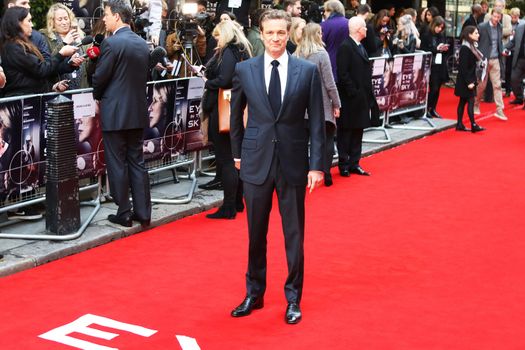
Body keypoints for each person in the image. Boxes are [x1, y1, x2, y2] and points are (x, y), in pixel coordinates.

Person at [229, 9, 325, 324]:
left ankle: (293, 298)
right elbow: (236, 116)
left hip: (293, 163)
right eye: (269, 33)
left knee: (293, 234)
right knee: (255, 233)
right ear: (261, 33)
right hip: (256, 161)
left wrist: (317, 166)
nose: (275, 38)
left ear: (289, 34)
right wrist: (237, 154)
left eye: (280, 33)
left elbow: (316, 124)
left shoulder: (306, 71)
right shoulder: (244, 70)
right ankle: (254, 293)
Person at [92, 0, 152, 228]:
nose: (104, 19)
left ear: (117, 16)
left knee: (117, 163)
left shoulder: (112, 44)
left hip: (115, 112)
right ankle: (144, 212)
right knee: (137, 161)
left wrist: (97, 94)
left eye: (106, 15)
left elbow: (100, 77)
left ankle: (124, 211)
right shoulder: (141, 43)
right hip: (136, 111)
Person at [202, 20, 252, 219]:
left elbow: (224, 80)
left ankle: (229, 206)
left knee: (227, 159)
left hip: (223, 110)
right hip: (235, 108)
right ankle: (237, 202)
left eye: (217, 36)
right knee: (235, 158)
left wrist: (207, 81)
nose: (215, 40)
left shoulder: (229, 52)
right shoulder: (241, 51)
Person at [295, 23, 340, 187]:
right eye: (319, 33)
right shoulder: (322, 54)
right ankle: (325, 172)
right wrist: (337, 104)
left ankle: (303, 172)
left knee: (302, 142)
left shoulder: (296, 54)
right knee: (326, 140)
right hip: (320, 105)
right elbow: (330, 83)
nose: (322, 36)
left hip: (300, 107)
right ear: (316, 35)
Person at [0, 7, 78, 97]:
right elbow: (41, 69)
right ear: (18, 23)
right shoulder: (13, 47)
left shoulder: (19, 44)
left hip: (29, 99)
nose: (32, 25)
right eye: (29, 21)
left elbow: (31, 78)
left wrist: (52, 87)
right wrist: (61, 54)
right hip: (22, 103)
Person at [336, 16, 377, 177]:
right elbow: (342, 73)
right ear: (359, 29)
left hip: (361, 98)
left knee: (358, 131)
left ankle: (355, 162)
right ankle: (344, 164)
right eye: (365, 27)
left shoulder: (360, 46)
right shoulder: (346, 47)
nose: (367, 30)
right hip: (350, 98)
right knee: (346, 132)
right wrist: (353, 91)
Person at [41, 3, 89, 89]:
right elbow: (48, 64)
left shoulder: (80, 35)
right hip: (60, 90)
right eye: (60, 20)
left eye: (66, 18)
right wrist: (64, 43)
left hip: (82, 90)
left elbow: (87, 65)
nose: (64, 22)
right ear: (52, 22)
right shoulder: (46, 38)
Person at [475, 8, 507, 120]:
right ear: (491, 15)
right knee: (482, 85)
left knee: (497, 85)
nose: (496, 19)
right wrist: (479, 58)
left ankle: (500, 109)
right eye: (494, 16)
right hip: (484, 60)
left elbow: (499, 42)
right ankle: (476, 104)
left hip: (495, 59)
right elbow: (476, 43)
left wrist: (502, 50)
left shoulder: (500, 27)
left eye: (498, 17)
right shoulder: (482, 26)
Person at [455, 25, 485, 133]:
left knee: (463, 101)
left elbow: (473, 63)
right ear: (469, 35)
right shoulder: (465, 48)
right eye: (476, 33)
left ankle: (459, 124)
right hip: (466, 80)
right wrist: (469, 82)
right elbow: (463, 67)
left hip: (468, 78)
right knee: (470, 100)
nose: (478, 35)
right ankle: (473, 124)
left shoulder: (471, 47)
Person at [420, 16, 449, 119]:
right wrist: (436, 49)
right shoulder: (426, 35)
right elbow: (423, 49)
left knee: (438, 89)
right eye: (438, 27)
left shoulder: (441, 35)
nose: (439, 29)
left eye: (441, 27)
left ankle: (433, 108)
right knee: (433, 88)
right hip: (431, 64)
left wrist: (444, 48)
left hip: (440, 64)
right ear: (434, 25)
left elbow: (446, 49)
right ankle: (427, 108)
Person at [321, 0, 348, 82]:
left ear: (330, 10)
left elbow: (320, 45)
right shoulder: (350, 23)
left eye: (325, 10)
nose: (324, 13)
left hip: (330, 64)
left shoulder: (323, 25)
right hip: (348, 65)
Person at [504, 18, 525, 107]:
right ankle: (519, 98)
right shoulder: (519, 28)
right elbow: (513, 42)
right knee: (514, 79)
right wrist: (504, 48)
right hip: (519, 59)